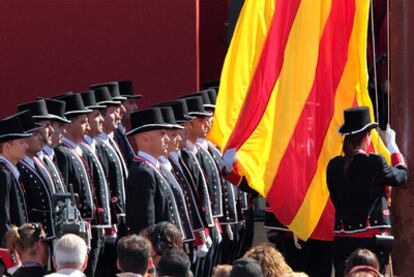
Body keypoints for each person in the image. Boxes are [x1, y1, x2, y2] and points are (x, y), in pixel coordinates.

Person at [327, 106, 408, 276]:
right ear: (367, 137)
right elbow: (401, 176)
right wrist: (393, 149)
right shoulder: (375, 162)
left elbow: (335, 197)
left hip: (343, 238)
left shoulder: (334, 165)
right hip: (371, 239)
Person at [125, 108, 181, 234]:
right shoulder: (143, 173)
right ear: (145, 138)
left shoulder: (153, 168)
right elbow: (145, 225)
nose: (167, 139)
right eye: (162, 134)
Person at [0, 112, 31, 242]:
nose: (27, 146)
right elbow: (3, 221)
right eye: (22, 142)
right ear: (7, 147)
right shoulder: (3, 174)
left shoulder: (8, 172)